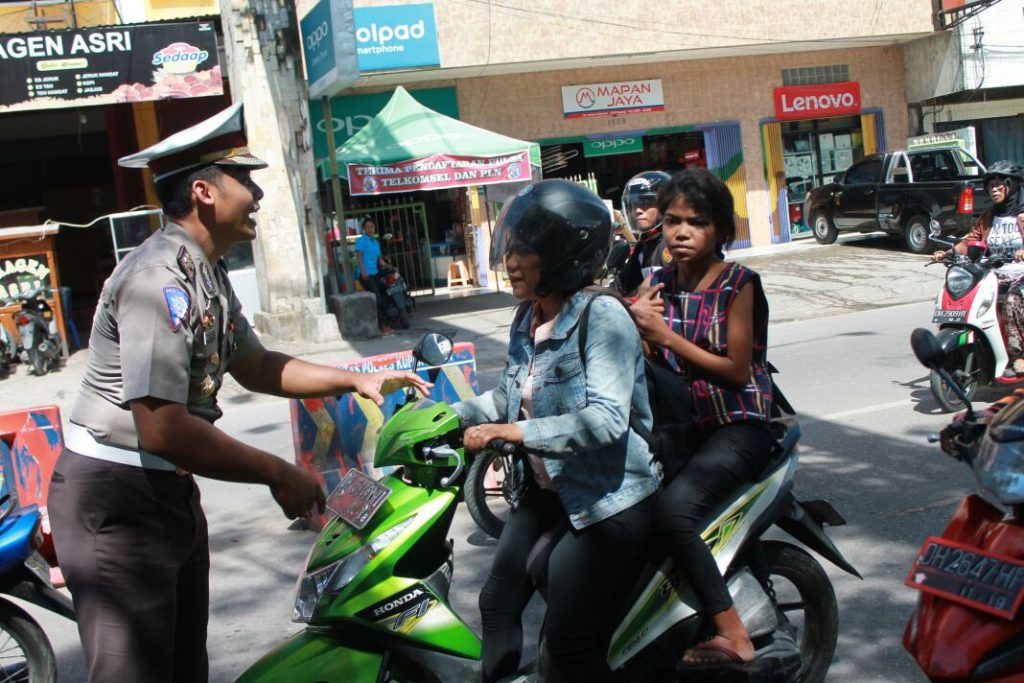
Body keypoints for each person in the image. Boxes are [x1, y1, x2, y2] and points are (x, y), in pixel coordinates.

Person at [46, 102, 430, 683]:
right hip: (119, 500)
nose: (258, 194)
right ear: (203, 191)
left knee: (182, 668)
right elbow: (163, 427)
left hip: (164, 490)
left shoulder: (206, 270)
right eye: (244, 181)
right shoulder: (158, 282)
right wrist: (277, 471)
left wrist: (354, 379)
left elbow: (254, 364)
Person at [456, 179, 660, 682]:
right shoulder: (527, 318)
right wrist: (444, 416)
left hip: (610, 499)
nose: (511, 259)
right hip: (551, 490)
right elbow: (508, 395)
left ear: (562, 255)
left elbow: (609, 420)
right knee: (496, 601)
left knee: (567, 644)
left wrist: (517, 433)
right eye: (512, 247)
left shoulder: (603, 315)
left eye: (525, 249)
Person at [630, 168, 774, 667]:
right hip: (681, 426)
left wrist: (663, 336)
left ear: (720, 231)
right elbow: (648, 356)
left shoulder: (739, 283)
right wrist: (637, 327)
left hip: (738, 424)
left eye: (697, 222)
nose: (682, 232)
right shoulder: (658, 282)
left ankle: (735, 635)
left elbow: (736, 371)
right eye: (672, 221)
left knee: (674, 513)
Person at [931, 160, 1024, 376]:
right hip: (995, 274)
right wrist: (946, 254)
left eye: (999, 185)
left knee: (1012, 299)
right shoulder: (989, 217)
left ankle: (1019, 355)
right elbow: (968, 242)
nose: (994, 190)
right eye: (990, 186)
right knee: (965, 293)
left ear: (1013, 185)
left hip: (1021, 273)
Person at [611, 170, 672, 295]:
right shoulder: (643, 247)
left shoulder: (674, 243)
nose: (638, 210)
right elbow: (621, 286)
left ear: (665, 205)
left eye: (646, 202)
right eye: (634, 204)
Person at [355, 216, 395, 334]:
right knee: (377, 298)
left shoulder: (375, 242)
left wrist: (389, 267)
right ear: (364, 229)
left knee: (386, 292)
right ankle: (380, 326)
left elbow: (379, 260)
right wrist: (363, 272)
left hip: (375, 273)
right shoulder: (361, 241)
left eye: (372, 227)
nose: (370, 229)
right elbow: (359, 256)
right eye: (367, 227)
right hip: (366, 275)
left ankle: (386, 319)